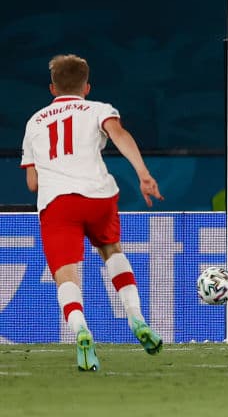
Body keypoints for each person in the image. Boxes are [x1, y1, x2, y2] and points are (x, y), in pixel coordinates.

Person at [20, 54, 165, 371]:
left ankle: (81, 330)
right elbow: (119, 135)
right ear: (86, 86)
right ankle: (137, 318)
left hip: (58, 203)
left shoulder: (35, 122)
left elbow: (32, 182)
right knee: (112, 251)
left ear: (52, 88)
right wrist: (143, 173)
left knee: (66, 274)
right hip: (99, 196)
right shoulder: (99, 109)